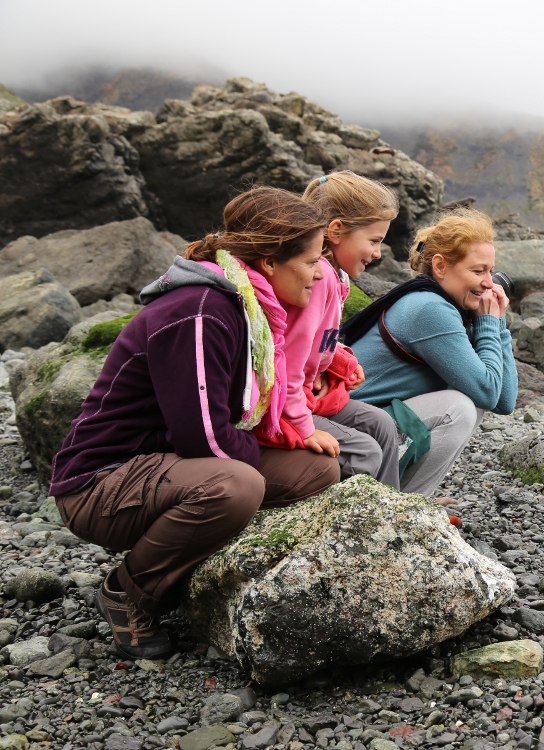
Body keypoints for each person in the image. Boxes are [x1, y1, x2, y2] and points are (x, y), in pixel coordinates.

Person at [49, 187, 340, 660]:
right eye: (310, 261)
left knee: (316, 470)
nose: (319, 273)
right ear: (270, 262)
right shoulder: (202, 311)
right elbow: (204, 437)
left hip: (167, 463)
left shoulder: (248, 307)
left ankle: (197, 565)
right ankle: (129, 591)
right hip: (100, 484)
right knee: (236, 486)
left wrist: (292, 442)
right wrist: (269, 457)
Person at [342, 208, 518, 496]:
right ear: (440, 266)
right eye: (478, 271)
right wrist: (488, 322)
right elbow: (489, 392)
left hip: (374, 426)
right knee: (458, 408)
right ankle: (407, 508)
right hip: (350, 437)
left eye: (490, 271)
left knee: (472, 399)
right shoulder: (429, 309)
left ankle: (404, 502)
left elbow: (503, 400)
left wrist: (497, 323)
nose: (489, 282)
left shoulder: (444, 303)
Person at [252, 171, 400, 488]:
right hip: (283, 406)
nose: (378, 253)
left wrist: (341, 360)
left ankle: (397, 508)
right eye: (374, 241)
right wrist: (304, 426)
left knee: (382, 424)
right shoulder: (318, 278)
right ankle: (353, 512)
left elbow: (317, 341)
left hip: (303, 395)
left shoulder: (335, 275)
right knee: (365, 453)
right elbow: (287, 361)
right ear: (335, 231)